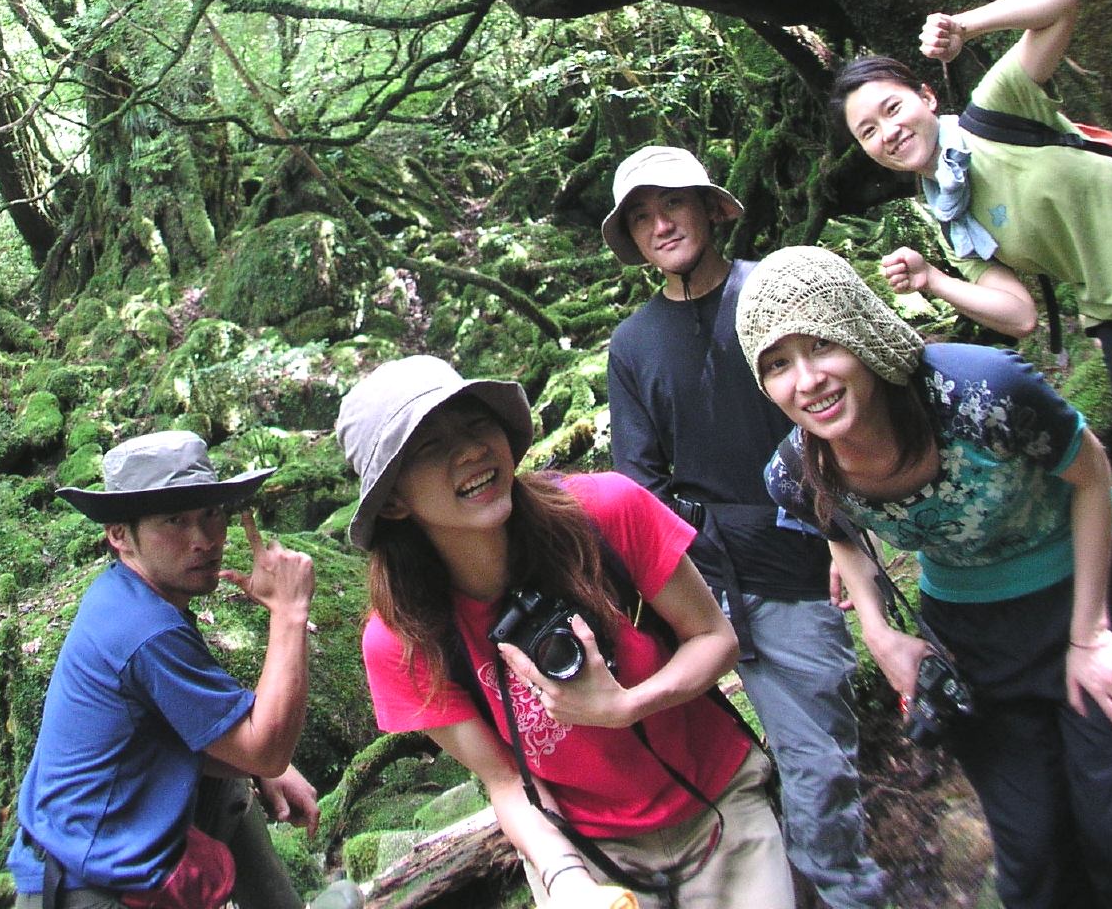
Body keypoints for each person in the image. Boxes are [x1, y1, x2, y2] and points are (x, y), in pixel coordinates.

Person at [741, 246, 1112, 909]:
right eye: (778, 364)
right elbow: (836, 529)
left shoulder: (980, 392)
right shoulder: (794, 472)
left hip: (1090, 591)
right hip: (972, 636)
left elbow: (1093, 475)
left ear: (860, 334)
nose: (806, 381)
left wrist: (1090, 634)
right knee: (1032, 856)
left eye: (821, 346)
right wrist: (881, 634)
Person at [831, 0, 1112, 626]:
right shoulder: (951, 215)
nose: (886, 131)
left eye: (891, 109)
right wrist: (933, 280)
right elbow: (1019, 314)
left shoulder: (998, 105)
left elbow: (1062, 1)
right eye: (867, 130)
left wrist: (964, 26)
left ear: (925, 96)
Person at [335, 354, 793, 909]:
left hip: (718, 802)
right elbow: (505, 782)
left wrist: (630, 705)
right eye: (430, 446)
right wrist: (564, 879)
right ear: (396, 502)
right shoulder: (403, 639)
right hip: (586, 851)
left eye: (477, 423)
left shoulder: (605, 512)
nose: (473, 449)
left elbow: (715, 640)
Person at [602, 146, 890, 909]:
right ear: (630, 238)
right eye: (641, 215)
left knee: (819, 759)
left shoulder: (771, 292)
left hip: (799, 563)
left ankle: (844, 892)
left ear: (709, 208)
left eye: (674, 205)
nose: (661, 224)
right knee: (708, 763)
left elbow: (838, 422)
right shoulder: (632, 346)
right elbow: (638, 481)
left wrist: (845, 540)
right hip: (694, 580)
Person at [8, 430, 320, 909]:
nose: (204, 540)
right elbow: (266, 749)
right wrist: (289, 612)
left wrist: (258, 764)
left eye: (211, 514)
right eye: (174, 520)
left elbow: (213, 732)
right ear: (119, 536)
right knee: (245, 765)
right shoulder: (145, 629)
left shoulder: (134, 595)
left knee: (232, 778)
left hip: (98, 849)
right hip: (84, 887)